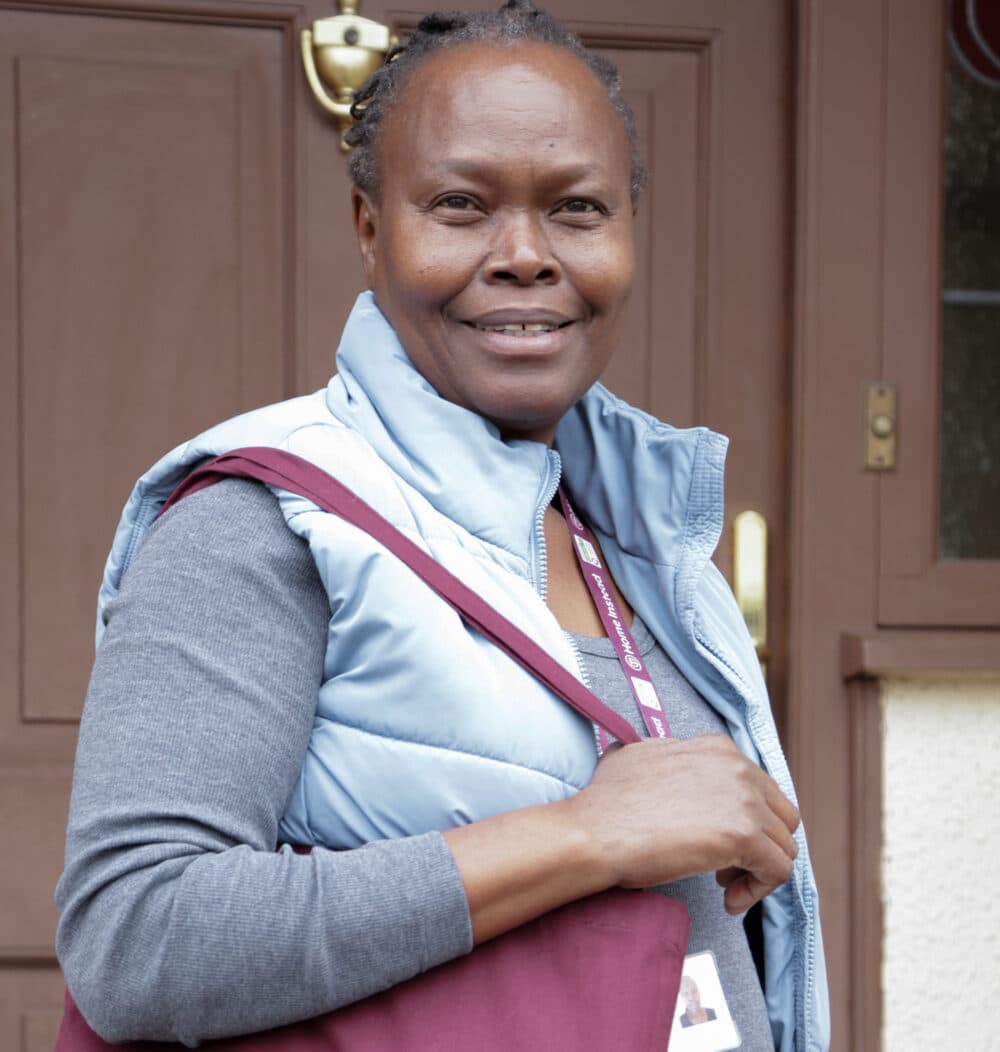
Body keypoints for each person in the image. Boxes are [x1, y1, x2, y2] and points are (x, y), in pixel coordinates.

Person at [55, 3, 829, 1049]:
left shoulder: (634, 527)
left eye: (577, 208)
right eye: (461, 205)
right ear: (373, 228)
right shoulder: (261, 519)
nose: (524, 254)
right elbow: (136, 936)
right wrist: (581, 834)